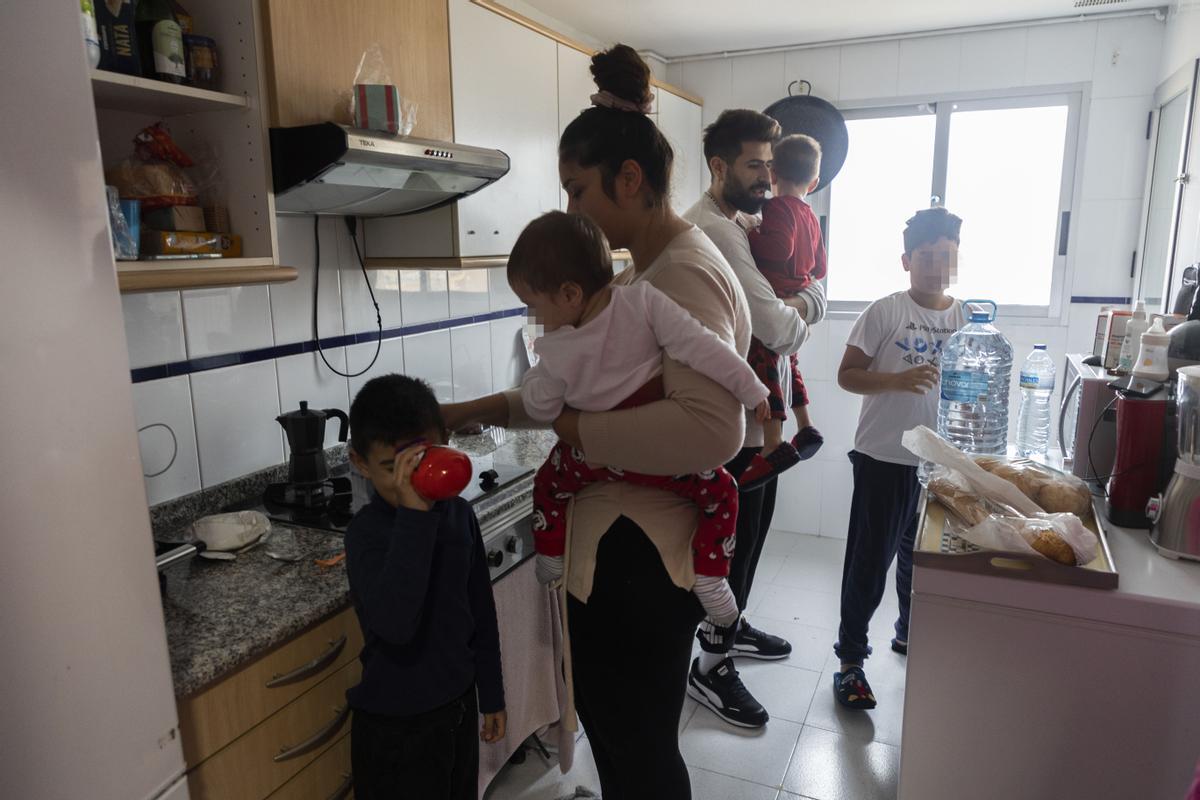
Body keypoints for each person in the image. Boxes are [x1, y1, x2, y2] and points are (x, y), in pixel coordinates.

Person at [442, 44, 752, 797]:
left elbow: (712, 428)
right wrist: (465, 412)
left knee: (637, 745)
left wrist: (574, 434)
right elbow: (578, 390)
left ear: (629, 178)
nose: (570, 210)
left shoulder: (678, 272)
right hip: (627, 549)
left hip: (641, 558)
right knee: (626, 741)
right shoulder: (642, 273)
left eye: (577, 190)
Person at [509, 210, 771, 631]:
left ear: (570, 294)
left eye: (531, 305)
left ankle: (551, 558)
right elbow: (703, 347)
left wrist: (538, 379)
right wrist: (752, 388)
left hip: (589, 461)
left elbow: (542, 408)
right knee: (722, 491)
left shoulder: (556, 347)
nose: (530, 317)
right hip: (660, 463)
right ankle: (712, 575)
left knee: (548, 487)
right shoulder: (644, 300)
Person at [682, 109, 825, 727]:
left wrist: (801, 295)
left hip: (748, 415)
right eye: (754, 165)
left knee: (754, 533)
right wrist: (815, 294)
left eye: (772, 164)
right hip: (723, 423)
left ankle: (732, 631)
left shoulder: (746, 219)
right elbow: (779, 326)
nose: (768, 177)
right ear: (719, 166)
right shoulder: (714, 230)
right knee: (729, 550)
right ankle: (710, 670)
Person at [344, 374, 506, 799]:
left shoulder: (457, 514)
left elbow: (480, 611)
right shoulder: (366, 535)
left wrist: (491, 693)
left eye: (422, 460)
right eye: (394, 468)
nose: (413, 481)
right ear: (360, 463)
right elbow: (396, 626)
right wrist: (415, 518)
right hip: (396, 728)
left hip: (456, 708)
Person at [832, 207, 966, 710]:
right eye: (926, 256)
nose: (935, 265)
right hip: (885, 457)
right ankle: (850, 661)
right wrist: (894, 380)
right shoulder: (886, 311)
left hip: (940, 463)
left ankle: (910, 633)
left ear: (956, 259)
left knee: (922, 557)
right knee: (870, 561)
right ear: (906, 260)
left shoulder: (966, 318)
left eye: (945, 255)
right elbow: (847, 375)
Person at [739, 133, 828, 489]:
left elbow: (777, 249)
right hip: (797, 291)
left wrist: (749, 236)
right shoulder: (810, 215)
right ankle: (805, 427)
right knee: (788, 362)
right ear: (815, 181)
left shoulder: (776, 208)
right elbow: (820, 267)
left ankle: (773, 442)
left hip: (775, 292)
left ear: (773, 174)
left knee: (767, 365)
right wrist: (801, 279)